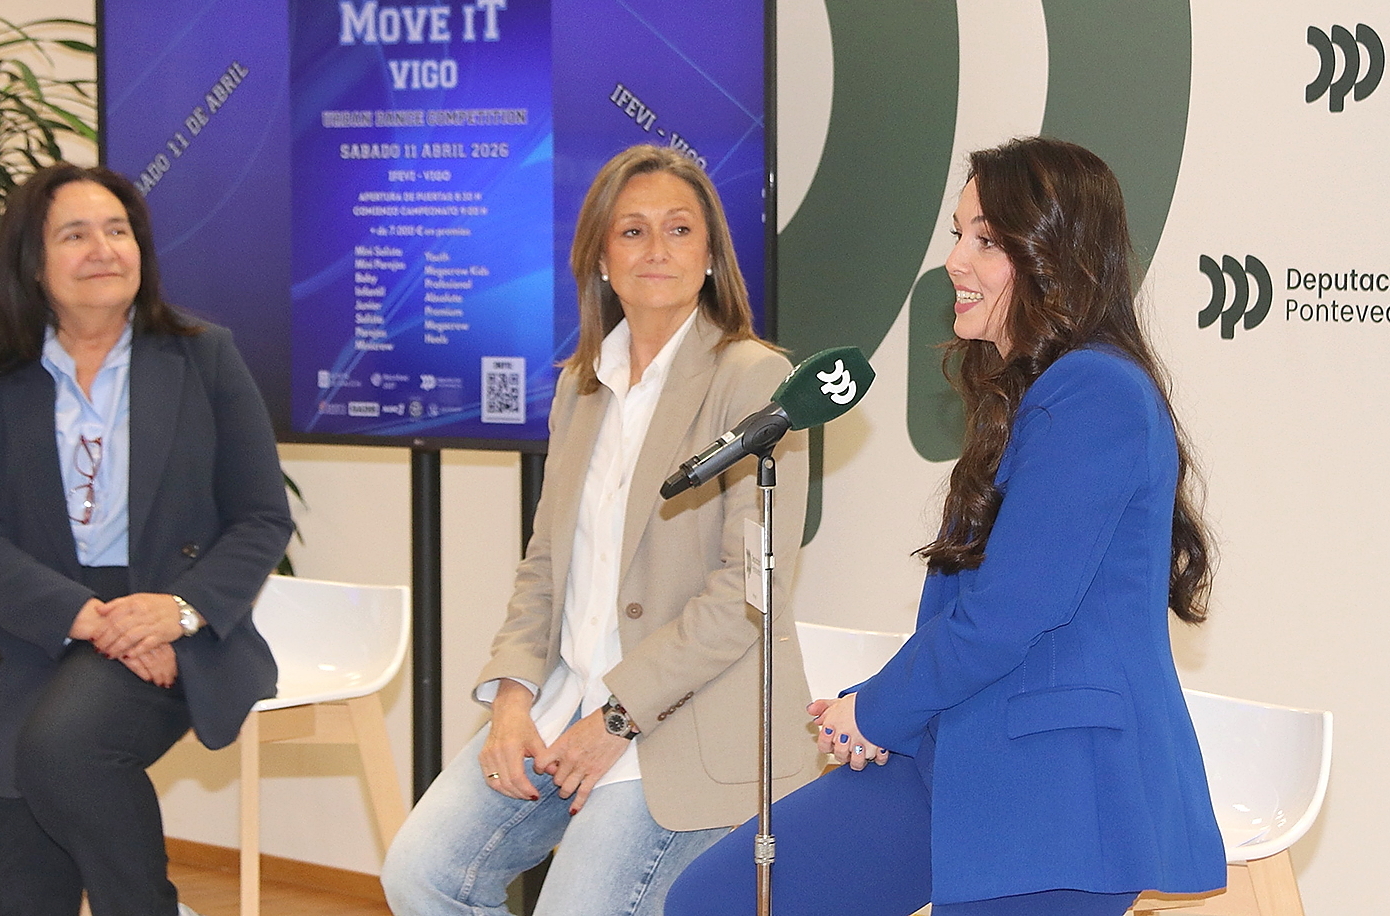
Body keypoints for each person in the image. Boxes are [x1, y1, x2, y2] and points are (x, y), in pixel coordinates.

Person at [666, 137, 1227, 916]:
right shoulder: (1029, 393)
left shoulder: (1095, 391)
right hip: (955, 751)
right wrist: (874, 704)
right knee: (717, 898)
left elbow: (1010, 614)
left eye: (986, 240)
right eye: (958, 234)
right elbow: (973, 613)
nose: (957, 262)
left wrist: (878, 711)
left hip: (1056, 789)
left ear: (1055, 256)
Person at [381, 145, 815, 916]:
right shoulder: (580, 386)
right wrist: (512, 695)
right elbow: (545, 562)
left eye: (680, 230)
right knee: (422, 873)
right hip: (563, 703)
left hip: (685, 723)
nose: (657, 250)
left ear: (711, 253)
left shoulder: (756, 379)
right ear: (601, 259)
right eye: (633, 231)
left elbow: (750, 595)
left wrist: (617, 714)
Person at [0, 164, 295, 916]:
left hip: (166, 625)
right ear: (33, 263)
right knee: (12, 889)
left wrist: (180, 610)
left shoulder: (205, 355)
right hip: (29, 625)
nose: (103, 248)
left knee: (68, 747)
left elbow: (261, 514)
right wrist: (92, 619)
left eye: (118, 230)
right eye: (75, 233)